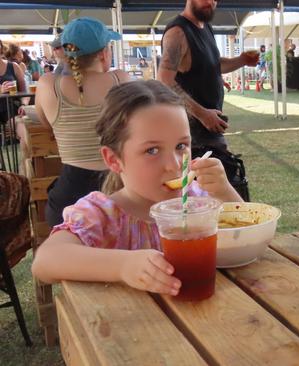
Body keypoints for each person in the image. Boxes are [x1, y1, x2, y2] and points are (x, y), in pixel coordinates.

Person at [31, 80, 242, 294]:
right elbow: (45, 261)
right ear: (113, 159)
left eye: (181, 146)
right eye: (152, 150)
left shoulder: (198, 200)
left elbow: (244, 236)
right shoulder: (102, 215)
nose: (175, 165)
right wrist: (124, 266)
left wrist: (224, 191)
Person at [34, 17, 131, 227]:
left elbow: (44, 121)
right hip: (116, 191)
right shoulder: (120, 80)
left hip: (69, 198)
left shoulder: (48, 84)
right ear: (104, 53)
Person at [158, 0, 257, 156]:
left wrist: (242, 60)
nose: (210, 2)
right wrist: (202, 114)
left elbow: (213, 64)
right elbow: (164, 81)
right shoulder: (177, 33)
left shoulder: (205, 27)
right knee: (214, 177)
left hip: (209, 130)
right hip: (192, 135)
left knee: (224, 175)